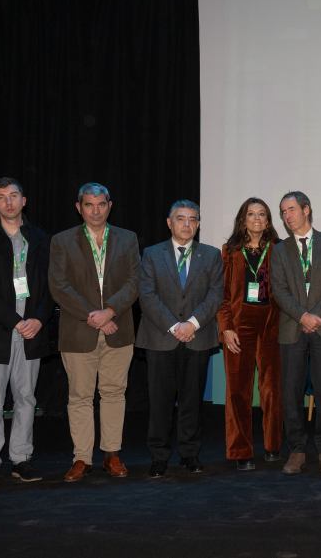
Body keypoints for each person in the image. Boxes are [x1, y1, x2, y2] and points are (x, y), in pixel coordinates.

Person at [49, 182, 140, 482]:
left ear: (109, 206)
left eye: (101, 204)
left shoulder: (128, 239)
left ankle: (112, 454)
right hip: (78, 330)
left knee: (114, 393)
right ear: (79, 207)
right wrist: (96, 316)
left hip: (119, 328)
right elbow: (59, 287)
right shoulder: (62, 241)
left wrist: (110, 311)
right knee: (79, 396)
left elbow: (134, 282)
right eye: (89, 204)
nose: (96, 210)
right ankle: (82, 458)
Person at [0, 177, 53, 488]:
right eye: (1, 197)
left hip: (31, 331)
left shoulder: (40, 238)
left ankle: (21, 458)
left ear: (24, 200)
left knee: (26, 397)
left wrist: (38, 320)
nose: (9, 202)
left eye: (14, 195)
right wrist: (14, 320)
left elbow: (50, 287)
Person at [135, 200, 223, 477]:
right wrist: (175, 326)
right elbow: (147, 295)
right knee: (160, 402)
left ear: (198, 224)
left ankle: (189, 454)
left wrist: (192, 323)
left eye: (193, 219)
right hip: (161, 338)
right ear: (169, 223)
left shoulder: (210, 255)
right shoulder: (151, 254)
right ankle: (159, 456)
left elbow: (215, 294)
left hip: (197, 336)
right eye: (181, 219)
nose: (187, 224)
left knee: (192, 401)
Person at [271, 191, 321, 475]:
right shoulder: (279, 250)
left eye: (290, 209)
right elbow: (279, 289)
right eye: (283, 212)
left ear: (306, 209)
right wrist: (302, 315)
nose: (286, 216)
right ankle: (297, 450)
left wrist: (315, 315)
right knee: (291, 392)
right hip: (292, 328)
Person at [216, 198, 283, 471]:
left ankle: (272, 446)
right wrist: (226, 328)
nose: (256, 219)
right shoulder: (229, 251)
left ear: (268, 221)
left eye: (262, 214)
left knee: (271, 390)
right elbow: (221, 295)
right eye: (251, 214)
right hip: (239, 325)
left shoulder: (279, 250)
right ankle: (240, 450)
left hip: (271, 324)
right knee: (238, 391)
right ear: (243, 219)